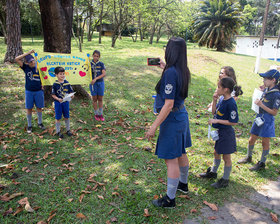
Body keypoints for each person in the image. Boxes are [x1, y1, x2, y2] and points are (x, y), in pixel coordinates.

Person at [145, 37, 192, 208]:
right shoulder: (182, 69)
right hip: (181, 116)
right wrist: (165, 68)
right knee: (180, 152)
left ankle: (170, 199)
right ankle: (183, 184)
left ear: (171, 51)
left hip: (172, 119)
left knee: (170, 159)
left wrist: (153, 126)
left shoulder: (172, 72)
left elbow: (168, 104)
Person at [200, 77, 242, 189]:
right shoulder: (222, 99)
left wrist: (217, 120)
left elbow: (233, 122)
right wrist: (214, 100)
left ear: (226, 89)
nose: (217, 89)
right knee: (216, 152)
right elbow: (214, 112)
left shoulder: (231, 103)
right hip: (220, 132)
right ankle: (213, 172)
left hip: (226, 134)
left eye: (219, 87)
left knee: (226, 157)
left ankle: (225, 180)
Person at [238, 69, 280, 171]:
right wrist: (261, 91)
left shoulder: (277, 95)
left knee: (265, 142)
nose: (263, 80)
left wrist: (261, 105)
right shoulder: (266, 89)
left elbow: (274, 112)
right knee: (251, 139)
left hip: (267, 120)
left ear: (273, 80)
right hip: (259, 118)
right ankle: (249, 156)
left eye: (265, 79)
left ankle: (262, 163)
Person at [15, 49, 46, 134]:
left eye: (33, 61)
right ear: (27, 63)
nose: (32, 63)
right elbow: (16, 59)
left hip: (39, 91)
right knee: (29, 108)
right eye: (30, 62)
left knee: (39, 107)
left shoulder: (39, 67)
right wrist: (28, 53)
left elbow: (44, 78)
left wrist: (43, 85)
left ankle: (40, 123)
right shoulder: (26, 68)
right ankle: (29, 125)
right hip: (29, 91)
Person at [51, 67, 74, 138]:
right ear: (56, 75)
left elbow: (71, 92)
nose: (62, 75)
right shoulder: (55, 84)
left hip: (66, 102)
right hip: (58, 103)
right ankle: (58, 131)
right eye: (60, 74)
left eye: (63, 74)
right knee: (58, 117)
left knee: (67, 116)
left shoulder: (67, 83)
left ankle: (68, 130)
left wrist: (72, 96)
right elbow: (53, 94)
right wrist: (58, 99)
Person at [89, 50, 106, 121]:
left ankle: (101, 114)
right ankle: (96, 114)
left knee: (100, 99)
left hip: (100, 83)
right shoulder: (89, 64)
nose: (96, 57)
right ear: (92, 55)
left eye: (97, 56)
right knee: (94, 99)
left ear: (99, 57)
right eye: (94, 55)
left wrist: (96, 78)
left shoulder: (101, 64)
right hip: (93, 84)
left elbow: (104, 74)